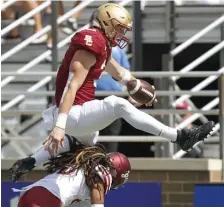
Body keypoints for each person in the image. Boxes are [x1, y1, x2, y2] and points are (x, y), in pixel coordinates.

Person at [9, 3, 214, 180]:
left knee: (81, 149)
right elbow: (71, 85)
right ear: (106, 24)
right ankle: (178, 136)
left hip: (80, 116)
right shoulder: (91, 42)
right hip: (71, 113)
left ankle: (30, 161)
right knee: (116, 104)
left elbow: (118, 71)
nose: (122, 34)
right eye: (119, 28)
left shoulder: (102, 44)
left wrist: (134, 85)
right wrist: (60, 126)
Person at [13, 142, 131, 207]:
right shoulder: (98, 174)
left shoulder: (82, 167)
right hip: (48, 198)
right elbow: (97, 191)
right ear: (114, 173)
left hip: (30, 194)